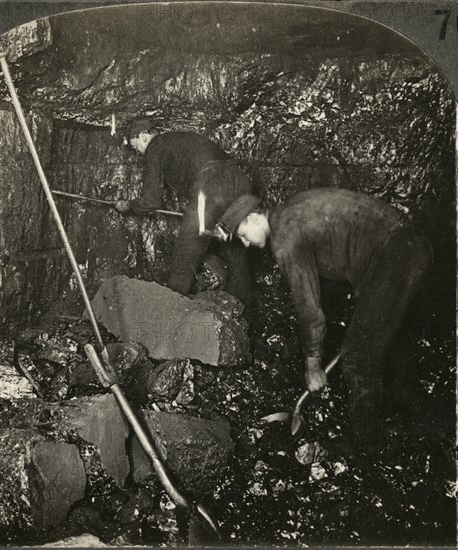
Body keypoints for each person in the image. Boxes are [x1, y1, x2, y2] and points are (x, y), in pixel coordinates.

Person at [213, 188, 434, 456]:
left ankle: (366, 447)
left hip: (395, 254)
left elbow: (309, 308)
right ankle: (416, 412)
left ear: (252, 219)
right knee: (390, 334)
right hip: (412, 243)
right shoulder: (291, 207)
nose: (246, 244)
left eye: (243, 236)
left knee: (357, 356)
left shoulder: (286, 239)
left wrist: (312, 365)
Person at [116, 119, 255, 311]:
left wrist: (128, 205)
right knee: (234, 249)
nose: (138, 151)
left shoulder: (155, 147)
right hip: (240, 183)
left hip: (212, 184)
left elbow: (151, 201)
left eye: (136, 146)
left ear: (143, 136)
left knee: (188, 244)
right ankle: (240, 311)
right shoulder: (178, 140)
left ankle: (172, 308)